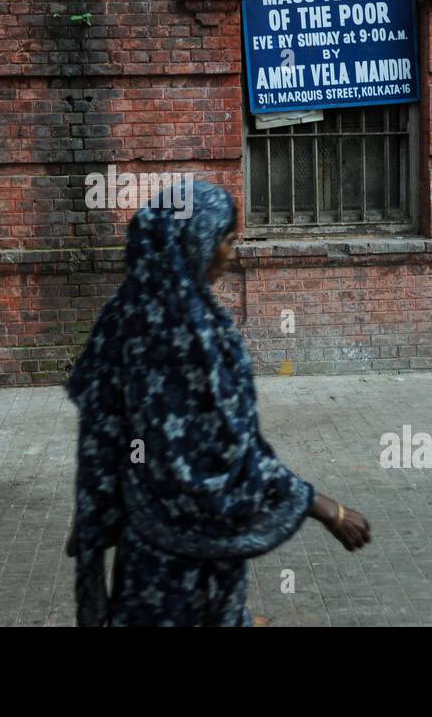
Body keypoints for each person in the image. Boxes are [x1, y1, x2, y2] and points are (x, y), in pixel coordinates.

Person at [64, 179, 371, 626]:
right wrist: (322, 507)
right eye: (227, 240)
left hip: (141, 554)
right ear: (197, 240)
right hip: (187, 570)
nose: (232, 254)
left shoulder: (125, 312)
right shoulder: (190, 334)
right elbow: (218, 457)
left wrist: (92, 513)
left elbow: (105, 434)